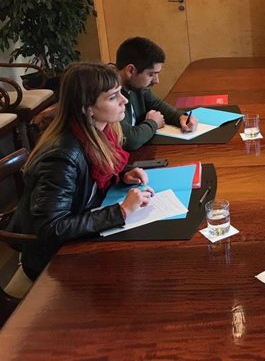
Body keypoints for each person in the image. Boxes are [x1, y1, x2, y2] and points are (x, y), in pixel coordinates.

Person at [7, 63, 155, 281]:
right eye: (113, 97)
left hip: (82, 238)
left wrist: (123, 173)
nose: (124, 100)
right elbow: (52, 228)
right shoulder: (62, 157)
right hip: (53, 260)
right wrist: (121, 211)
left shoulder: (102, 133)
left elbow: (94, 174)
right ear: (88, 108)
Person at [115, 36, 197, 151]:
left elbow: (157, 105)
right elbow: (129, 140)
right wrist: (153, 123)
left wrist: (181, 117)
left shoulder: (137, 86)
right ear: (130, 70)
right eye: (151, 74)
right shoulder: (109, 93)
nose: (156, 81)